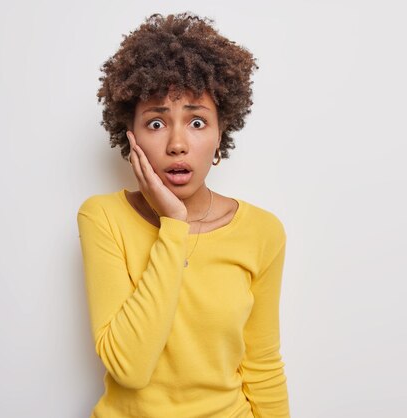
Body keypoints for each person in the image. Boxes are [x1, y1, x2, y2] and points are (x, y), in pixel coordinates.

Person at [77, 12, 290, 417]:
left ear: (220, 132)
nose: (177, 144)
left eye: (196, 121)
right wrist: (173, 225)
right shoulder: (102, 218)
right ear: (131, 135)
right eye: (156, 122)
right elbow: (130, 368)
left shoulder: (263, 232)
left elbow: (262, 366)